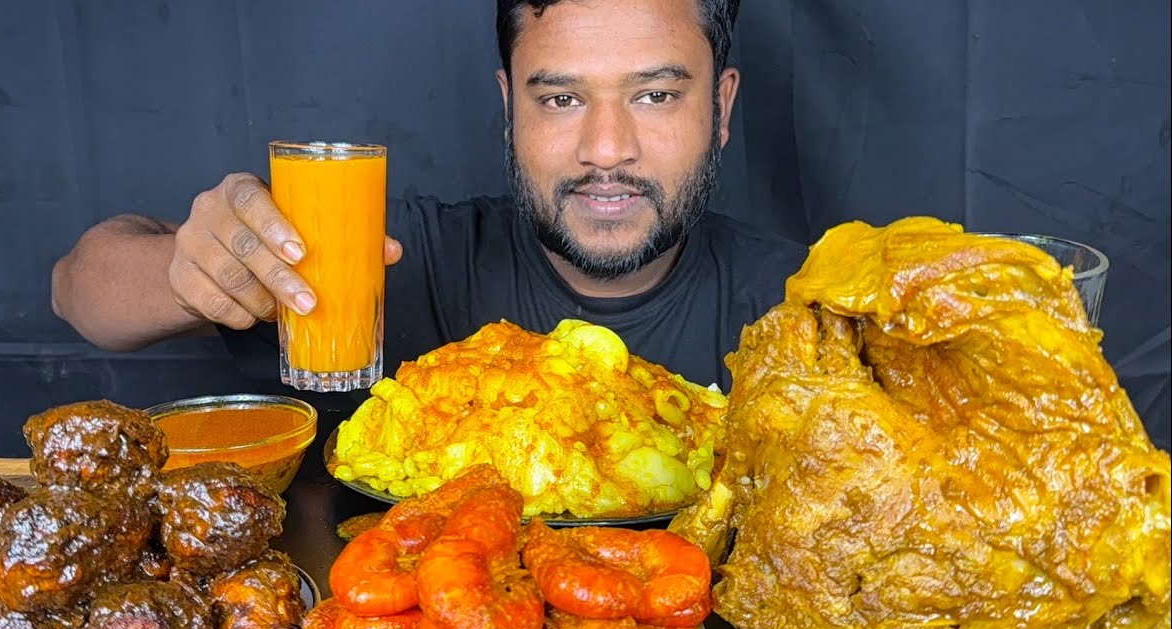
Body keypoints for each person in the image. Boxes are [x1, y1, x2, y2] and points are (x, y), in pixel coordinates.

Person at [50, 0, 807, 394]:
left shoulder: (806, 302)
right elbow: (78, 291)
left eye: (655, 95)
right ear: (509, 108)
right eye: (561, 100)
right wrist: (196, 268)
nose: (606, 149)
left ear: (721, 107)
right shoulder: (391, 257)